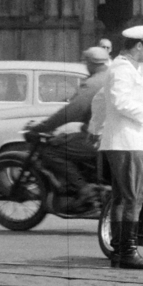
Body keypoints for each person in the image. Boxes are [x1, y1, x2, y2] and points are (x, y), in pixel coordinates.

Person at [93, 24, 143, 271]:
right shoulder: (122, 68)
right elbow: (120, 101)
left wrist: (96, 127)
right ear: (139, 46)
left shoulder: (129, 68)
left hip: (127, 140)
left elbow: (100, 100)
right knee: (133, 196)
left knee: (126, 196)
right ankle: (128, 251)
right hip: (126, 141)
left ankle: (121, 251)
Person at [24, 45, 111, 206]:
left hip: (97, 138)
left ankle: (83, 189)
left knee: (51, 152)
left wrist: (43, 126)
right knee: (68, 139)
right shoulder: (112, 77)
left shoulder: (93, 83)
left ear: (91, 63)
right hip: (111, 134)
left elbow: (72, 111)